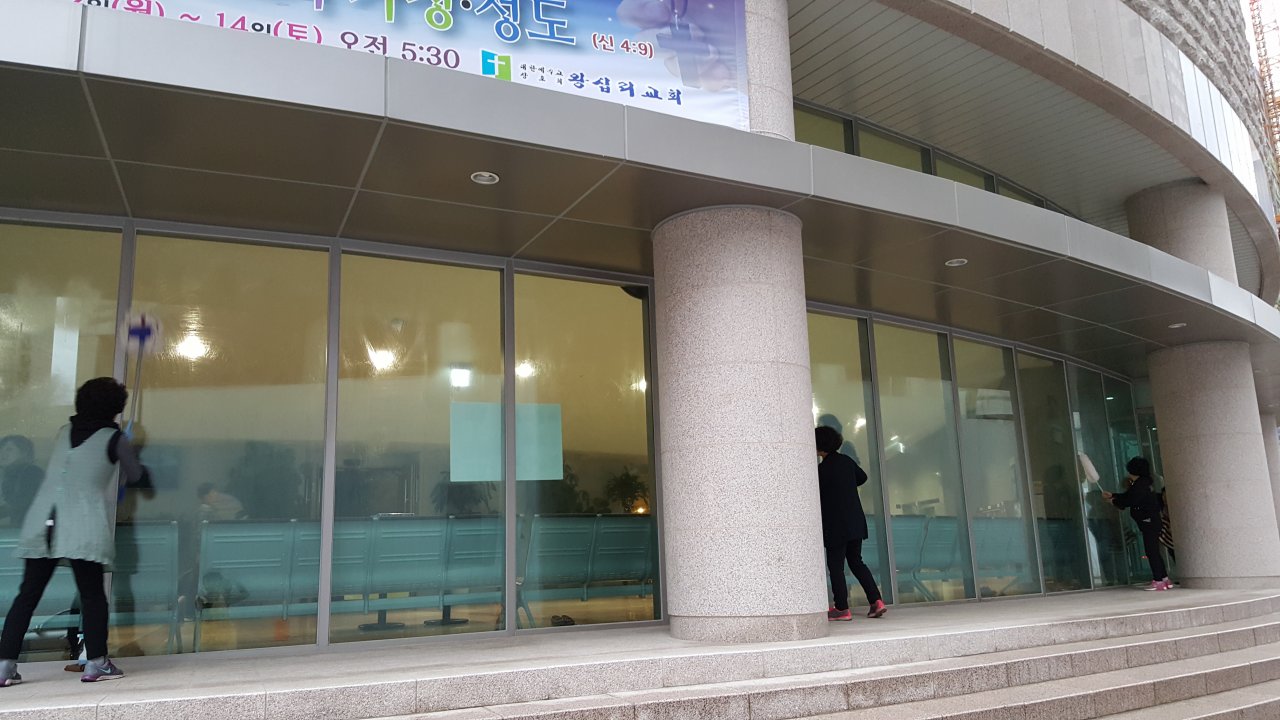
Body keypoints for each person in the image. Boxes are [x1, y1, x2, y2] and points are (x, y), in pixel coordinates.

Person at [0, 378, 150, 687]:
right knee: (92, 595)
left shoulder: (63, 433)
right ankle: (97, 663)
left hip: (43, 520)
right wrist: (133, 452)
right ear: (115, 407)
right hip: (82, 523)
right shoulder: (114, 439)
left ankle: (5, 666)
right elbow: (136, 476)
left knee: (27, 595)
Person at [816, 426, 886, 620]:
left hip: (835, 525)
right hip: (855, 522)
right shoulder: (846, 461)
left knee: (836, 566)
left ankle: (841, 608)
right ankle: (876, 601)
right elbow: (862, 477)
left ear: (819, 446)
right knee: (856, 561)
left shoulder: (821, 470)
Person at [1103, 457, 1171, 591]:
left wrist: (1114, 501)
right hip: (1152, 521)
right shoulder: (1144, 483)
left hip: (1148, 522)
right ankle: (1164, 579)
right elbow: (1128, 496)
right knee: (1154, 551)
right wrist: (1113, 495)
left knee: (1151, 551)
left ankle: (1158, 580)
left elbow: (1130, 500)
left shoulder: (1140, 485)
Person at [0, 435, 43, 527]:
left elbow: (20, 504)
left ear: (23, 452)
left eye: (9, 449)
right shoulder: (11, 474)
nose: (2, 453)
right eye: (1, 448)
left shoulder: (31, 472)